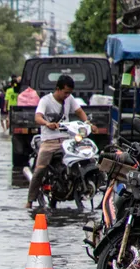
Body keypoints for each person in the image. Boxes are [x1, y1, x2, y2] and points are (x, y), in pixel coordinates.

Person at [25, 75, 88, 209]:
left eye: (69, 93)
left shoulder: (69, 99)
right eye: (65, 92)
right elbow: (37, 117)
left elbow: (79, 111)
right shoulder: (45, 101)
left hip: (67, 140)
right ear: (58, 89)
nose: (67, 95)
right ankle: (30, 200)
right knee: (40, 170)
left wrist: (88, 123)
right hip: (49, 141)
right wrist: (47, 123)